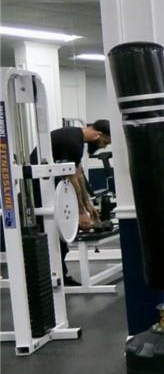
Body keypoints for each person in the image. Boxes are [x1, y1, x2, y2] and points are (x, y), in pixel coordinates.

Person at [47, 120, 112, 284]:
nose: (104, 147)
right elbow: (70, 178)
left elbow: (79, 174)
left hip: (51, 186)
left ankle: (61, 277)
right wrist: (81, 212)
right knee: (53, 235)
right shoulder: (72, 142)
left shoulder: (76, 138)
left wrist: (88, 205)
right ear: (98, 135)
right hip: (40, 189)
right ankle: (56, 278)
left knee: (60, 238)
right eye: (105, 143)